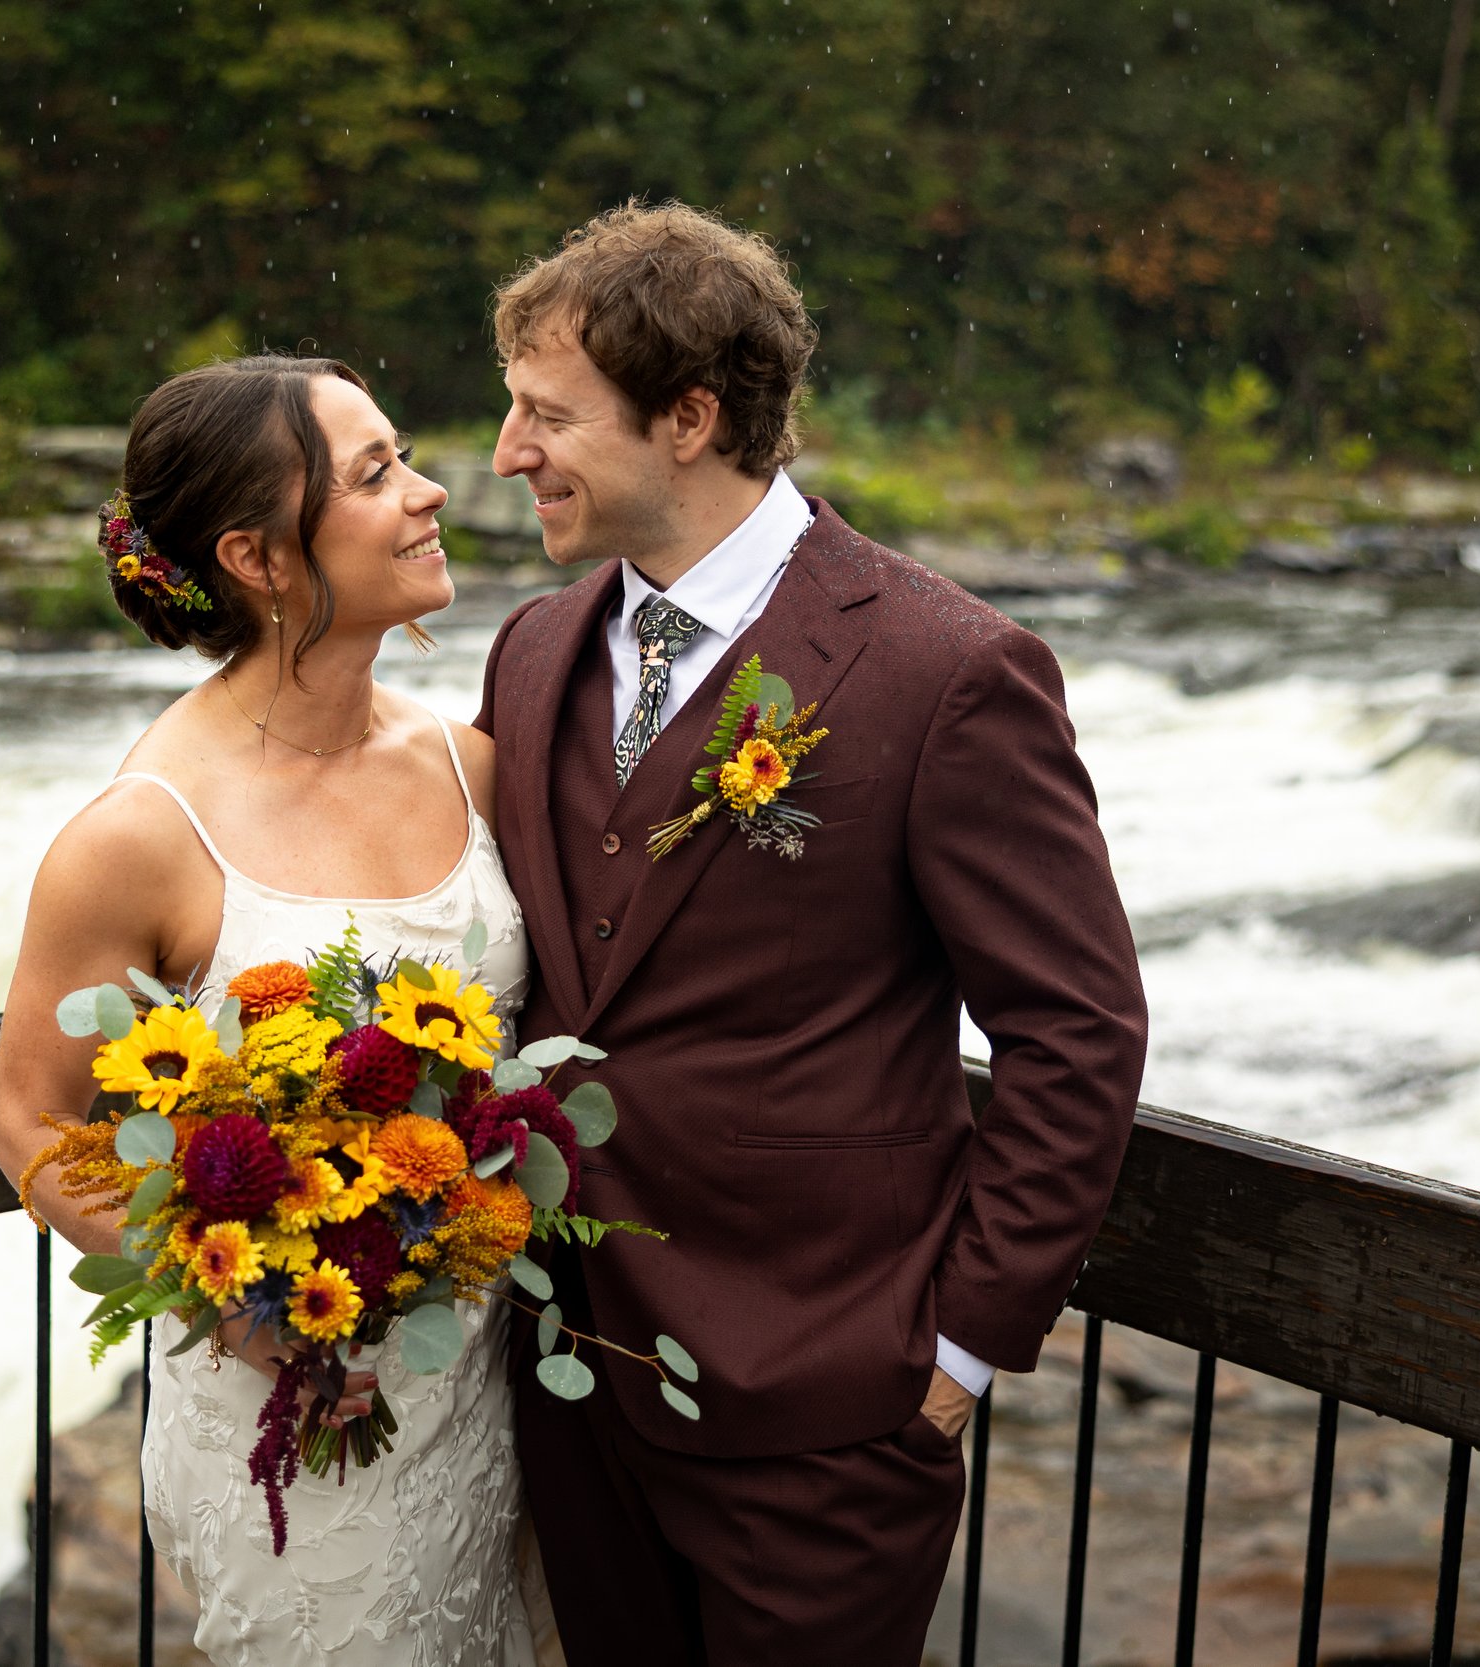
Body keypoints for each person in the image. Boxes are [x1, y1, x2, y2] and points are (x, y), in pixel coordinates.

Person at [475, 200, 1149, 1663]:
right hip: (569, 1378)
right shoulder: (533, 649)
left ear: (691, 418)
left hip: (827, 1409)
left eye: (547, 416)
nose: (508, 454)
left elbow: (1076, 1032)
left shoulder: (950, 671)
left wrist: (957, 1357)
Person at [0, 356, 547, 1665]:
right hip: (294, 1418)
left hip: (484, 1391)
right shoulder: (142, 834)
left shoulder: (473, 767)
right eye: (374, 476)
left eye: (402, 458)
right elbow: (30, 1120)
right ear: (259, 555)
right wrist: (239, 1311)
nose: (428, 494)